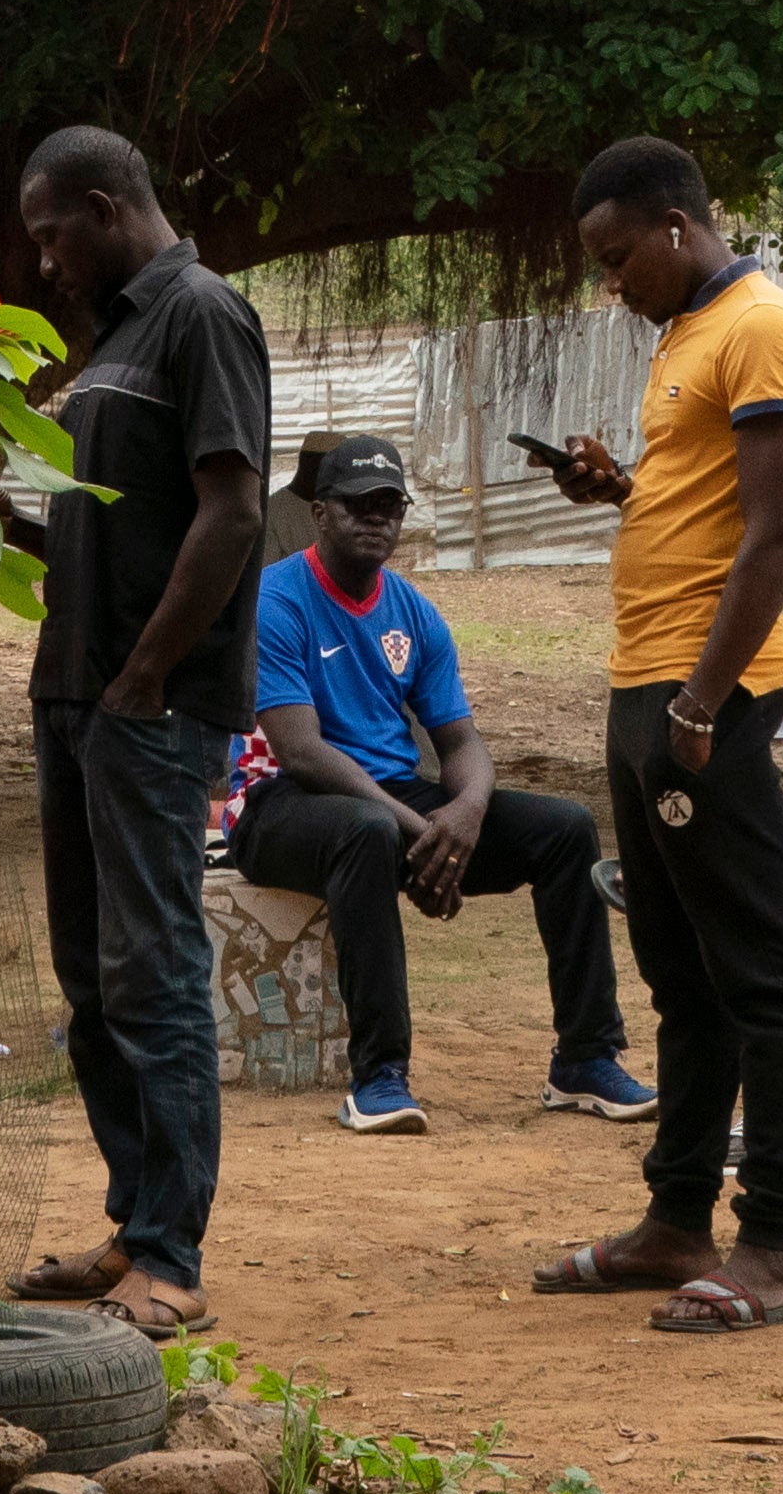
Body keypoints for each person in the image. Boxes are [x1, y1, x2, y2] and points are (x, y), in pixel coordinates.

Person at [529, 137, 783, 1333]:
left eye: (616, 259)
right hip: (644, 682)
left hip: (708, 693)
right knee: (679, 971)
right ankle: (675, 1218)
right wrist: (622, 489)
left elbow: (774, 536)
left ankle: (772, 1245)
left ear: (673, 224)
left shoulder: (763, 326)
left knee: (757, 966)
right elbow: (705, 501)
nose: (611, 284)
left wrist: (702, 704)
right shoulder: (685, 333)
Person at [2, 125, 269, 1334]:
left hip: (149, 708)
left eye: (53, 235)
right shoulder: (113, 342)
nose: (45, 263)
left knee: (154, 973)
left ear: (107, 208)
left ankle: (173, 1254)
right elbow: (109, 536)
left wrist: (150, 674)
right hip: (79, 699)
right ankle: (131, 1222)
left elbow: (234, 512)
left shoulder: (202, 315)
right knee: (90, 978)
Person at [233, 433, 642, 1133]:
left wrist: (465, 817)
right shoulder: (277, 599)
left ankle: (585, 1057)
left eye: (390, 505)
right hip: (278, 807)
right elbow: (300, 752)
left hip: (390, 800)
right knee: (364, 832)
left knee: (566, 830)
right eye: (360, 504)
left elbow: (460, 741)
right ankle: (380, 1078)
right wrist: (423, 831)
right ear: (321, 511)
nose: (377, 519)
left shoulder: (414, 611)